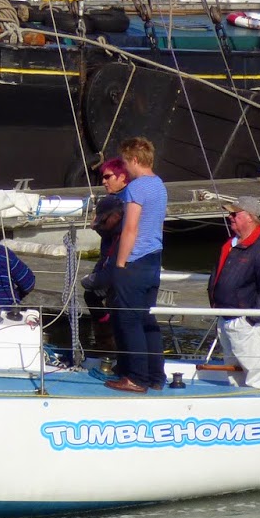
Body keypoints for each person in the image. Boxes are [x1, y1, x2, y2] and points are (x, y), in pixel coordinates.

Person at [107, 136, 167, 392]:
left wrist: (120, 263)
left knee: (130, 321)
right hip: (154, 258)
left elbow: (130, 228)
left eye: (125, 162)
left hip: (135, 259)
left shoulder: (136, 187)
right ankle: (156, 376)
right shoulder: (160, 185)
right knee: (147, 319)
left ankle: (136, 378)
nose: (125, 167)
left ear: (133, 159)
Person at [208, 197, 260, 388]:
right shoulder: (231, 243)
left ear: (250, 217)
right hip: (224, 317)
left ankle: (256, 401)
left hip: (244, 321)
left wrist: (251, 319)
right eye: (230, 214)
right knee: (232, 373)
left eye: (235, 214)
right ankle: (236, 400)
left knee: (254, 374)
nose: (230, 217)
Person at [81, 157, 128, 331]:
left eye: (108, 177)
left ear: (122, 177)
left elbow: (108, 228)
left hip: (116, 263)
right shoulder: (119, 199)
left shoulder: (115, 202)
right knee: (95, 296)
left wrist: (96, 224)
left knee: (92, 292)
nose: (103, 181)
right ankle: (107, 332)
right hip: (110, 259)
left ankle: (106, 335)